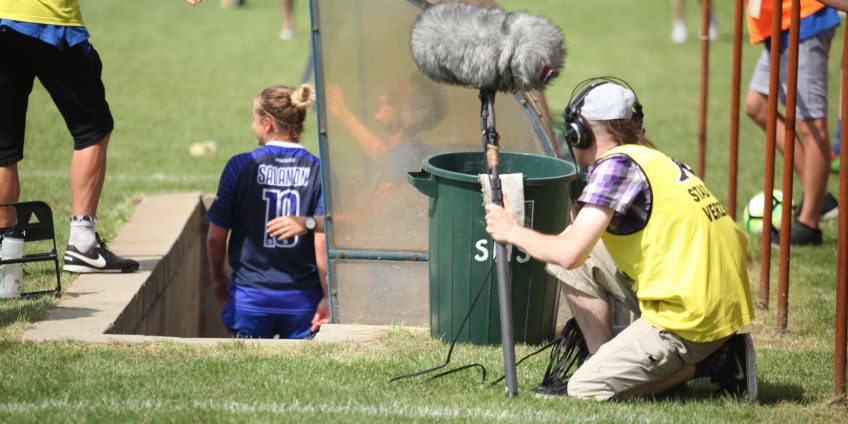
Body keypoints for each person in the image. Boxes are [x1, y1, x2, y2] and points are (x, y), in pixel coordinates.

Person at [484, 79, 757, 401]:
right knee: (576, 258)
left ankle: (721, 362)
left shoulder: (616, 166)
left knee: (585, 389)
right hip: (709, 301)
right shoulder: (645, 157)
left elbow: (569, 253)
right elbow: (576, 251)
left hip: (691, 318)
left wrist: (512, 231)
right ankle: (603, 360)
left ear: (578, 131)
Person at [0, 0, 200, 273]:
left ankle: (7, 260)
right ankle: (83, 244)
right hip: (49, 22)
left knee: (4, 147)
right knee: (92, 128)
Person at [206, 83, 329, 339]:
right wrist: (328, 295)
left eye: (254, 119)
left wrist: (218, 277)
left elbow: (216, 237)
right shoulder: (319, 170)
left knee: (243, 373)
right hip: (302, 301)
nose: (253, 126)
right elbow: (322, 237)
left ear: (268, 123)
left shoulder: (240, 166)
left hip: (249, 301)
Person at [743, 0, 840, 245]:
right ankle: (816, 196)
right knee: (757, 106)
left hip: (803, 17)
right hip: (780, 23)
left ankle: (809, 223)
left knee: (811, 124)